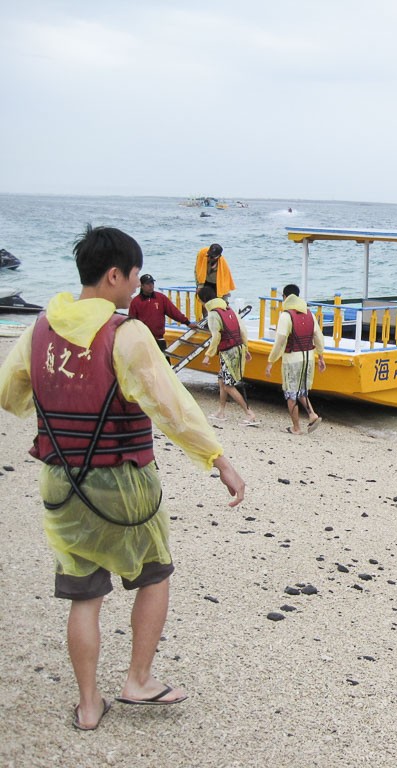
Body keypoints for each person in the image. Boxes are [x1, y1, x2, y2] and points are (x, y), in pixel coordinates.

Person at [0, 225, 245, 731]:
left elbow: (12, 395)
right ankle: (138, 679)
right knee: (153, 574)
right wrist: (217, 459)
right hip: (122, 483)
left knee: (84, 594)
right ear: (114, 274)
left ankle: (89, 706)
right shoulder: (125, 333)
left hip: (62, 482)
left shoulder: (39, 329)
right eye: (133, 277)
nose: (135, 287)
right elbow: (172, 407)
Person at [264, 284, 326, 435]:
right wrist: (321, 356)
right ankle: (312, 415)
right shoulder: (309, 314)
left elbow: (280, 340)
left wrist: (271, 361)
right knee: (302, 390)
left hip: (292, 360)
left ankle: (296, 428)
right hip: (308, 358)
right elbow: (318, 336)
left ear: (285, 297)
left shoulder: (286, 316)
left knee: (291, 393)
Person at [199, 285, 257, 425]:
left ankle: (249, 413)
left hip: (228, 351)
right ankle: (221, 411)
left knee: (228, 385)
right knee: (221, 379)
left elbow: (216, 337)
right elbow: (242, 330)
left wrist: (208, 355)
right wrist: (246, 348)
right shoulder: (228, 309)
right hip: (237, 347)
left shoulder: (213, 314)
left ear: (203, 300)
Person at [127, 274, 197, 356]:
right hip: (143, 340)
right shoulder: (136, 302)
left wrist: (187, 323)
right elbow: (131, 321)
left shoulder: (161, 298)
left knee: (165, 364)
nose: (151, 286)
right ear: (141, 286)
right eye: (148, 284)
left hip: (159, 338)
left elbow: (173, 312)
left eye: (152, 283)